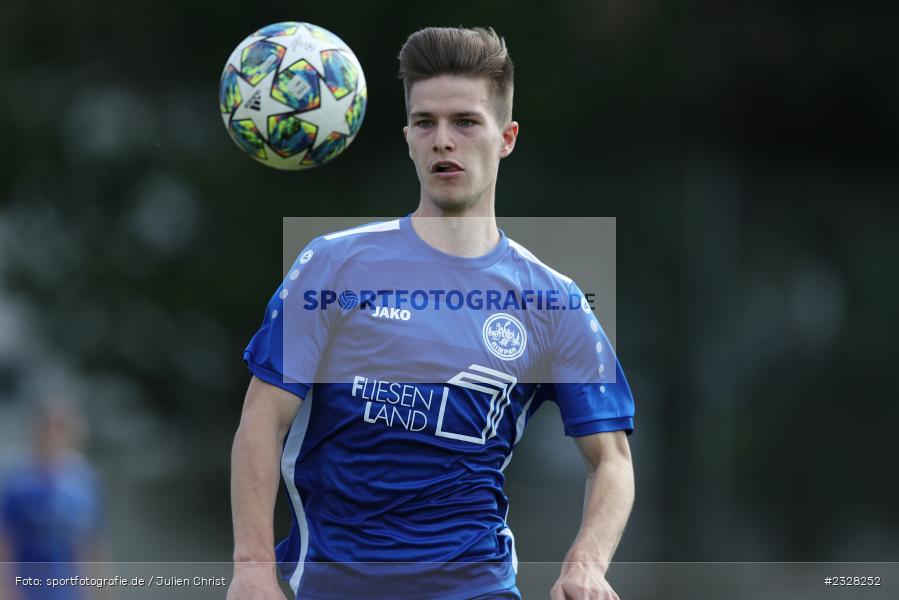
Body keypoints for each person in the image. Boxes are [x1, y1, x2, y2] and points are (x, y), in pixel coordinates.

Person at [227, 26, 635, 600]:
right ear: (409, 138)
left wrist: (586, 564)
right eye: (426, 123)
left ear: (507, 137)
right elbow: (262, 422)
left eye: (465, 122)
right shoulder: (333, 267)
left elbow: (612, 458)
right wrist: (250, 566)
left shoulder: (553, 299)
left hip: (480, 587)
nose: (444, 140)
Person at [0, 396, 105, 600]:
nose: (53, 435)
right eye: (48, 426)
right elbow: (5, 540)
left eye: (61, 427)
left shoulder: (85, 480)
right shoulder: (14, 477)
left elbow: (91, 545)